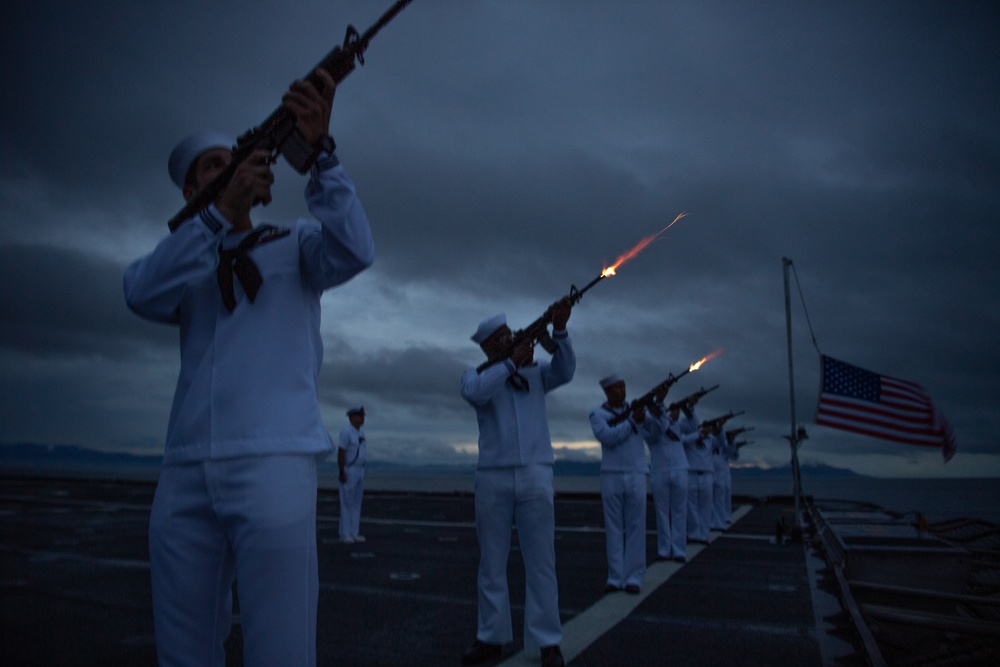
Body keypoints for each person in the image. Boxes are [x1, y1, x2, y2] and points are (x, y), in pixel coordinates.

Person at [123, 66, 373, 667]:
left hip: (273, 460)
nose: (227, 169)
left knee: (281, 647)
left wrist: (319, 158)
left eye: (230, 160)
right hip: (185, 469)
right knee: (183, 650)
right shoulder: (182, 262)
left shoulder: (295, 243)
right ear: (190, 193)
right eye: (211, 168)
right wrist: (213, 220)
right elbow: (139, 292)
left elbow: (355, 249)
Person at [459, 299, 575, 667]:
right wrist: (509, 363)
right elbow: (475, 393)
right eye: (498, 340)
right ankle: (490, 638)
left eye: (508, 335)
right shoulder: (477, 375)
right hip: (493, 475)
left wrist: (558, 332)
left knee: (541, 561)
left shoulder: (537, 372)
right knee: (492, 562)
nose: (506, 340)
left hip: (536, 472)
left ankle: (548, 642)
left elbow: (567, 370)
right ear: (487, 348)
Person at [589, 375, 652, 594]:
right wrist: (632, 421)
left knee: (636, 527)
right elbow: (608, 437)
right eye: (617, 387)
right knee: (613, 527)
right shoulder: (598, 415)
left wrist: (652, 412)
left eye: (624, 386)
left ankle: (634, 576)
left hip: (636, 472)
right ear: (607, 391)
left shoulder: (637, 411)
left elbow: (657, 433)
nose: (622, 390)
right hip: (611, 474)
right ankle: (615, 576)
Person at [643, 397, 698, 563]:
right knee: (662, 513)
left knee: (680, 511)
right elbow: (658, 431)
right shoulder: (649, 426)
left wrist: (689, 409)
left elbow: (693, 425)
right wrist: (668, 418)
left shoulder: (676, 424)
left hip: (680, 468)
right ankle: (664, 549)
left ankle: (679, 550)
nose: (656, 411)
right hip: (659, 470)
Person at [681, 399, 715, 545]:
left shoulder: (711, 439)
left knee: (705, 507)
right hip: (692, 474)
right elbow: (683, 441)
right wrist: (699, 434)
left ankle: (704, 535)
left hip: (706, 475)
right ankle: (694, 534)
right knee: (692, 508)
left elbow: (722, 442)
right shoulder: (691, 437)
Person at [338, 405, 367, 544]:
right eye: (359, 416)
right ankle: (345, 533)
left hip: (360, 470)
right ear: (352, 417)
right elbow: (341, 452)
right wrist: (342, 471)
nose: (362, 418)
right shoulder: (346, 433)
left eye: (363, 416)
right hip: (349, 469)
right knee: (347, 503)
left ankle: (354, 532)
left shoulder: (361, 434)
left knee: (356, 503)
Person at [711, 426, 738, 530]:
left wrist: (732, 441)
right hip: (711, 473)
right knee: (711, 501)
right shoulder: (710, 441)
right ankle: (713, 521)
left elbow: (733, 455)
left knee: (720, 500)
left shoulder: (724, 445)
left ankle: (722, 521)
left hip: (721, 475)